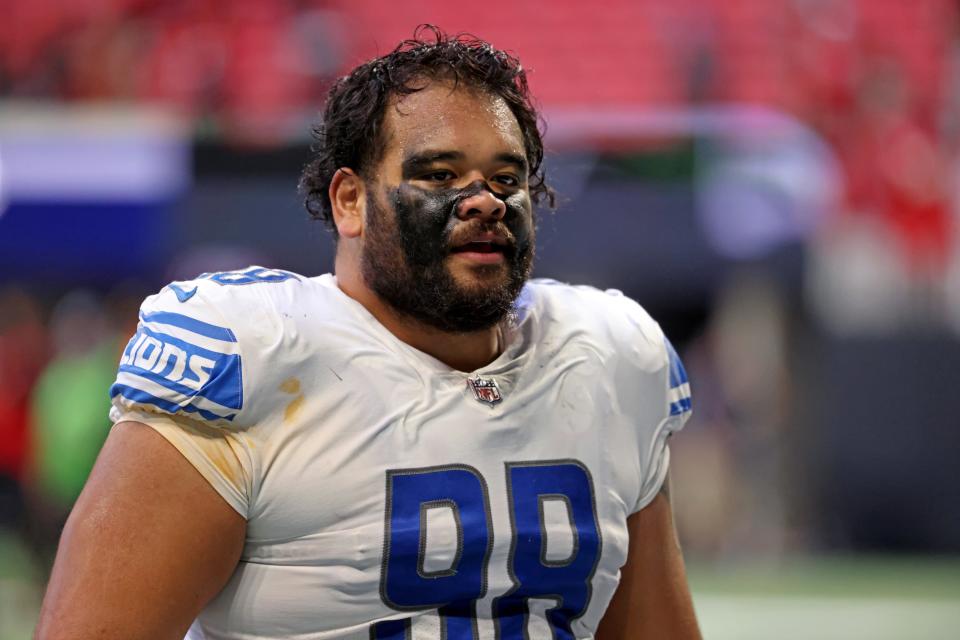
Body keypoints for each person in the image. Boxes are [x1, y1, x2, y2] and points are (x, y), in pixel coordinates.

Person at [36, 27, 701, 639]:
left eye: (507, 178)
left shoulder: (609, 354)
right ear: (349, 200)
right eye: (438, 175)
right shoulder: (256, 354)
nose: (485, 200)